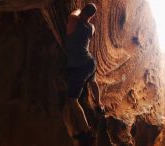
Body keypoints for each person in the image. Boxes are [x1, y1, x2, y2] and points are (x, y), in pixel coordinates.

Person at [63, 3, 104, 146]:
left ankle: (87, 132)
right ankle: (99, 104)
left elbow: (74, 12)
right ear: (91, 16)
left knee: (72, 100)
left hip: (80, 66)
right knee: (93, 82)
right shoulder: (91, 28)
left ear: (83, 12)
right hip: (90, 62)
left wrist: (79, 10)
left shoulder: (73, 20)